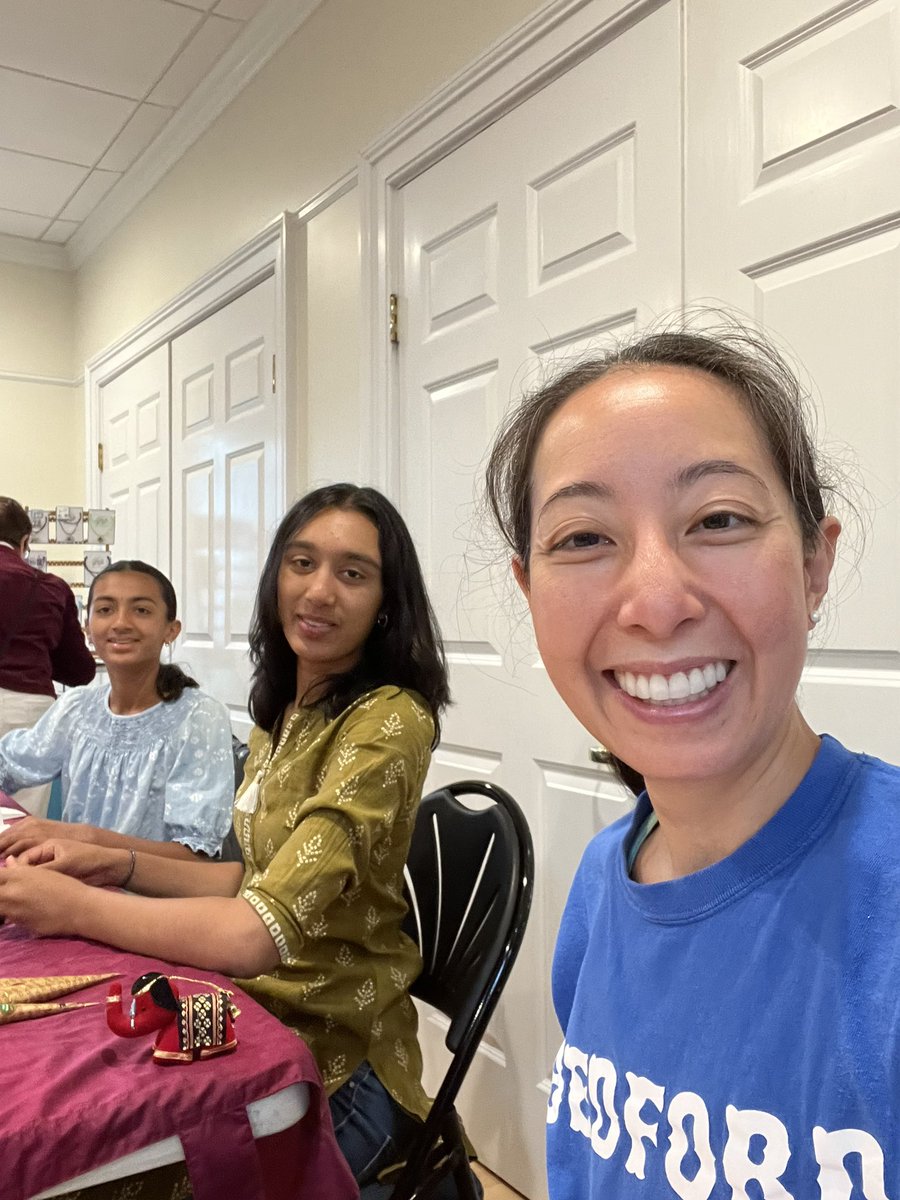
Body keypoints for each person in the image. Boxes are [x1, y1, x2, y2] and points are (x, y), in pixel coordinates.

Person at [484, 322, 900, 1196]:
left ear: (815, 564)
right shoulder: (601, 881)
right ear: (528, 591)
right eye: (583, 538)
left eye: (718, 520)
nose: (657, 601)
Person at [0, 484, 472, 1196]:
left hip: (332, 1058)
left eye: (352, 573)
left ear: (386, 602)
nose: (318, 591)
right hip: (249, 1008)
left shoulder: (389, 720)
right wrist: (108, 859)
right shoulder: (285, 711)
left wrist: (72, 905)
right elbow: (245, 878)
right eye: (301, 563)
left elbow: (255, 934)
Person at [0, 560, 235, 860]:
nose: (121, 623)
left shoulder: (198, 718)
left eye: (142, 610)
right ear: (87, 628)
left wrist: (81, 839)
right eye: (105, 609)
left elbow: (194, 857)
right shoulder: (77, 709)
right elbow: (9, 764)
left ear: (171, 630)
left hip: (149, 889)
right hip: (70, 878)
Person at [0, 496, 96, 816]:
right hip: (28, 709)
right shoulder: (52, 588)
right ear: (25, 541)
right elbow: (79, 671)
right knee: (19, 819)